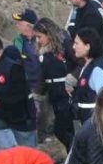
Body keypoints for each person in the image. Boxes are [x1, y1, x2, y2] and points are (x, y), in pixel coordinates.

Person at [32, 18, 75, 151]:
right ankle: (73, 156)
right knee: (68, 130)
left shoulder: (65, 44)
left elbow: (79, 61)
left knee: (60, 130)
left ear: (49, 33)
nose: (38, 40)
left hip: (66, 94)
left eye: (40, 37)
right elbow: (43, 76)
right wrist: (37, 97)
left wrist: (73, 77)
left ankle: (77, 152)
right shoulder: (44, 52)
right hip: (54, 96)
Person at [69, 28, 103, 123]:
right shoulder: (87, 65)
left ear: (87, 46)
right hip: (86, 122)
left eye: (77, 43)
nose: (73, 47)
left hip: (95, 126)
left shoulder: (97, 70)